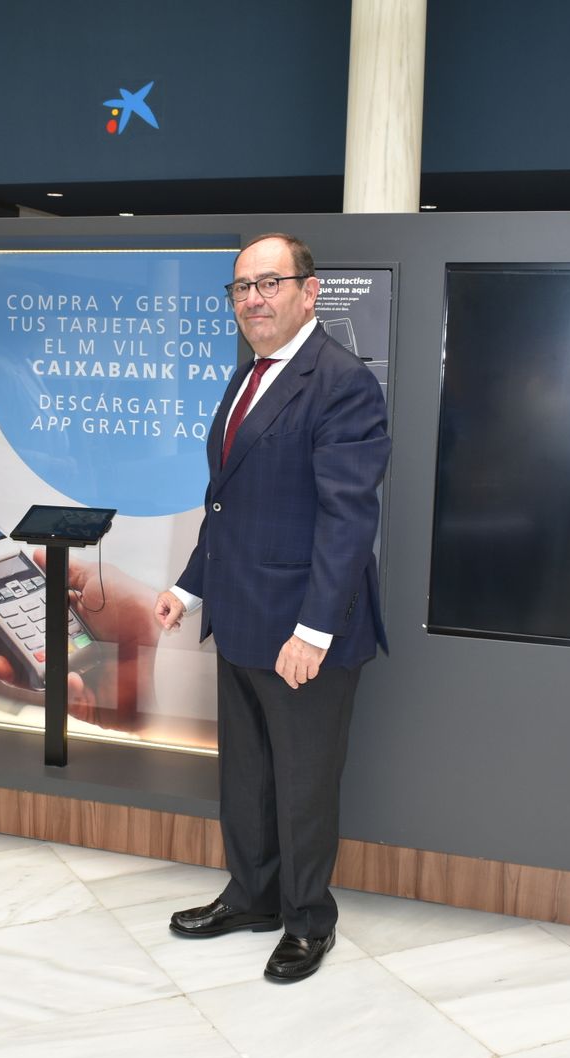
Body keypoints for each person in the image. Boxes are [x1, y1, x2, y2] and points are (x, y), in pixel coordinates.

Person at [154, 233, 391, 981]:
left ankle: (308, 920)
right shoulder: (247, 376)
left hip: (303, 632)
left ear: (308, 291)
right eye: (241, 288)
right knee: (248, 776)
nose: (252, 300)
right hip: (240, 617)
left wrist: (312, 632)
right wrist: (189, 586)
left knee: (303, 784)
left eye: (269, 283)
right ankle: (252, 897)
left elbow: (348, 521)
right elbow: (228, 504)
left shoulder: (342, 382)